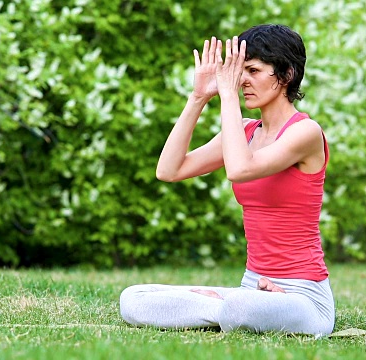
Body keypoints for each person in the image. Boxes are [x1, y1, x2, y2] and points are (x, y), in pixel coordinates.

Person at [119, 24, 335, 336]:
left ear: (286, 75)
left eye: (253, 70)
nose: (241, 79)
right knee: (133, 299)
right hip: (252, 286)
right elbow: (169, 170)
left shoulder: (305, 132)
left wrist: (227, 95)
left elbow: (239, 169)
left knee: (238, 308)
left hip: (304, 295)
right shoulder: (244, 132)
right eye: (238, 70)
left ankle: (235, 307)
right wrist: (198, 97)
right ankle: (234, 306)